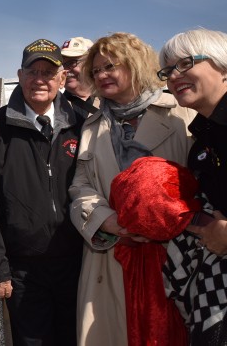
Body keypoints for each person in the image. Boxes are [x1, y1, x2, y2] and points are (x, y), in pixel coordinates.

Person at [69, 32, 195, 346]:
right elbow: (80, 186)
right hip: (110, 256)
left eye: (110, 66)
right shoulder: (91, 125)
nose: (101, 75)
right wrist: (106, 221)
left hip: (176, 256)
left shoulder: (181, 113)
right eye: (96, 70)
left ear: (135, 65)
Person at [0, 39, 84, 345]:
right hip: (23, 272)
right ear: (20, 74)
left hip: (78, 264)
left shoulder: (82, 125)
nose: (40, 79)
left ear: (60, 79)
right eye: (33, 71)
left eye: (48, 72)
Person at [158, 28, 227, 343]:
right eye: (168, 70)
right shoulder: (200, 141)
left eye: (185, 64)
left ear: (222, 65)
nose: (174, 76)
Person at [61, 37, 97, 120]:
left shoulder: (110, 102)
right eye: (62, 65)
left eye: (72, 62)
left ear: (91, 64)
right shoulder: (54, 106)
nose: (65, 70)